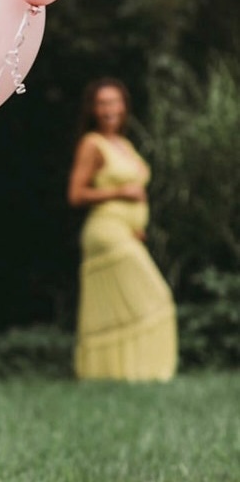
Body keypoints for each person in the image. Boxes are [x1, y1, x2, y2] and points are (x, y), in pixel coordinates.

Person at [67, 77, 177, 381]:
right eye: (102, 103)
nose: (108, 109)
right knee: (156, 296)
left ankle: (129, 374)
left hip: (127, 232)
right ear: (92, 109)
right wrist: (121, 194)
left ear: (124, 106)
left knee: (128, 304)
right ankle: (140, 373)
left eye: (114, 102)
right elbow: (76, 194)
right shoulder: (92, 143)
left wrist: (135, 223)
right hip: (106, 233)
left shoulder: (125, 144)